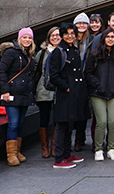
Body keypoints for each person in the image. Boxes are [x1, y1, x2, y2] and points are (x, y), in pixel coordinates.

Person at [86, 29, 114, 161]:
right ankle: (98, 149)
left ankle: (111, 148)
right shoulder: (94, 55)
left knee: (113, 121)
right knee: (101, 121)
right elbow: (88, 73)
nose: (110, 39)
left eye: (113, 37)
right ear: (103, 39)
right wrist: (97, 85)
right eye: (108, 37)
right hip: (98, 94)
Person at [49, 23, 87, 169]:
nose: (70, 36)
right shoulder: (59, 52)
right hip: (64, 94)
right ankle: (59, 159)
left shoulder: (73, 49)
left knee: (69, 124)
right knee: (61, 125)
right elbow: (54, 76)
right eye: (66, 33)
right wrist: (67, 88)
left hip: (74, 93)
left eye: (72, 33)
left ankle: (66, 154)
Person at [0, 27, 36, 166]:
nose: (27, 40)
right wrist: (5, 91)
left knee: (20, 124)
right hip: (12, 94)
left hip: (24, 94)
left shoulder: (29, 54)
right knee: (13, 123)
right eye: (25, 37)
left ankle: (17, 151)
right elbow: (2, 71)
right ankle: (11, 154)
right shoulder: (11, 52)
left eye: (29, 38)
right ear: (19, 38)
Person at [33, 27, 60, 158]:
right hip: (43, 89)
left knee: (57, 119)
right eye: (53, 35)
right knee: (44, 118)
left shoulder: (63, 51)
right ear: (48, 37)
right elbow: (35, 70)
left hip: (58, 90)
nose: (55, 37)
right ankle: (44, 147)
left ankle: (54, 146)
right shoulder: (42, 53)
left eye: (58, 35)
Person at [73, 12, 93, 152]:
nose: (81, 25)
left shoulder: (91, 39)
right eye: (79, 23)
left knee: (83, 111)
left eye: (84, 23)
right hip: (72, 79)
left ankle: (80, 138)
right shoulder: (70, 39)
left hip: (86, 79)